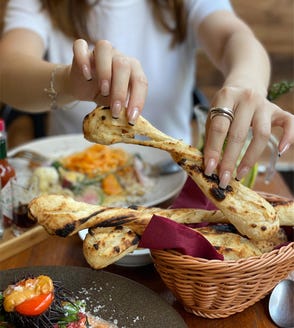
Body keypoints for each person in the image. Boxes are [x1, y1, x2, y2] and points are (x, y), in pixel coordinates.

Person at [0, 0, 293, 190]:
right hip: (71, 187)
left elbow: (234, 37)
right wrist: (67, 81)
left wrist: (247, 81)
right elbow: (7, 68)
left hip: (173, 184)